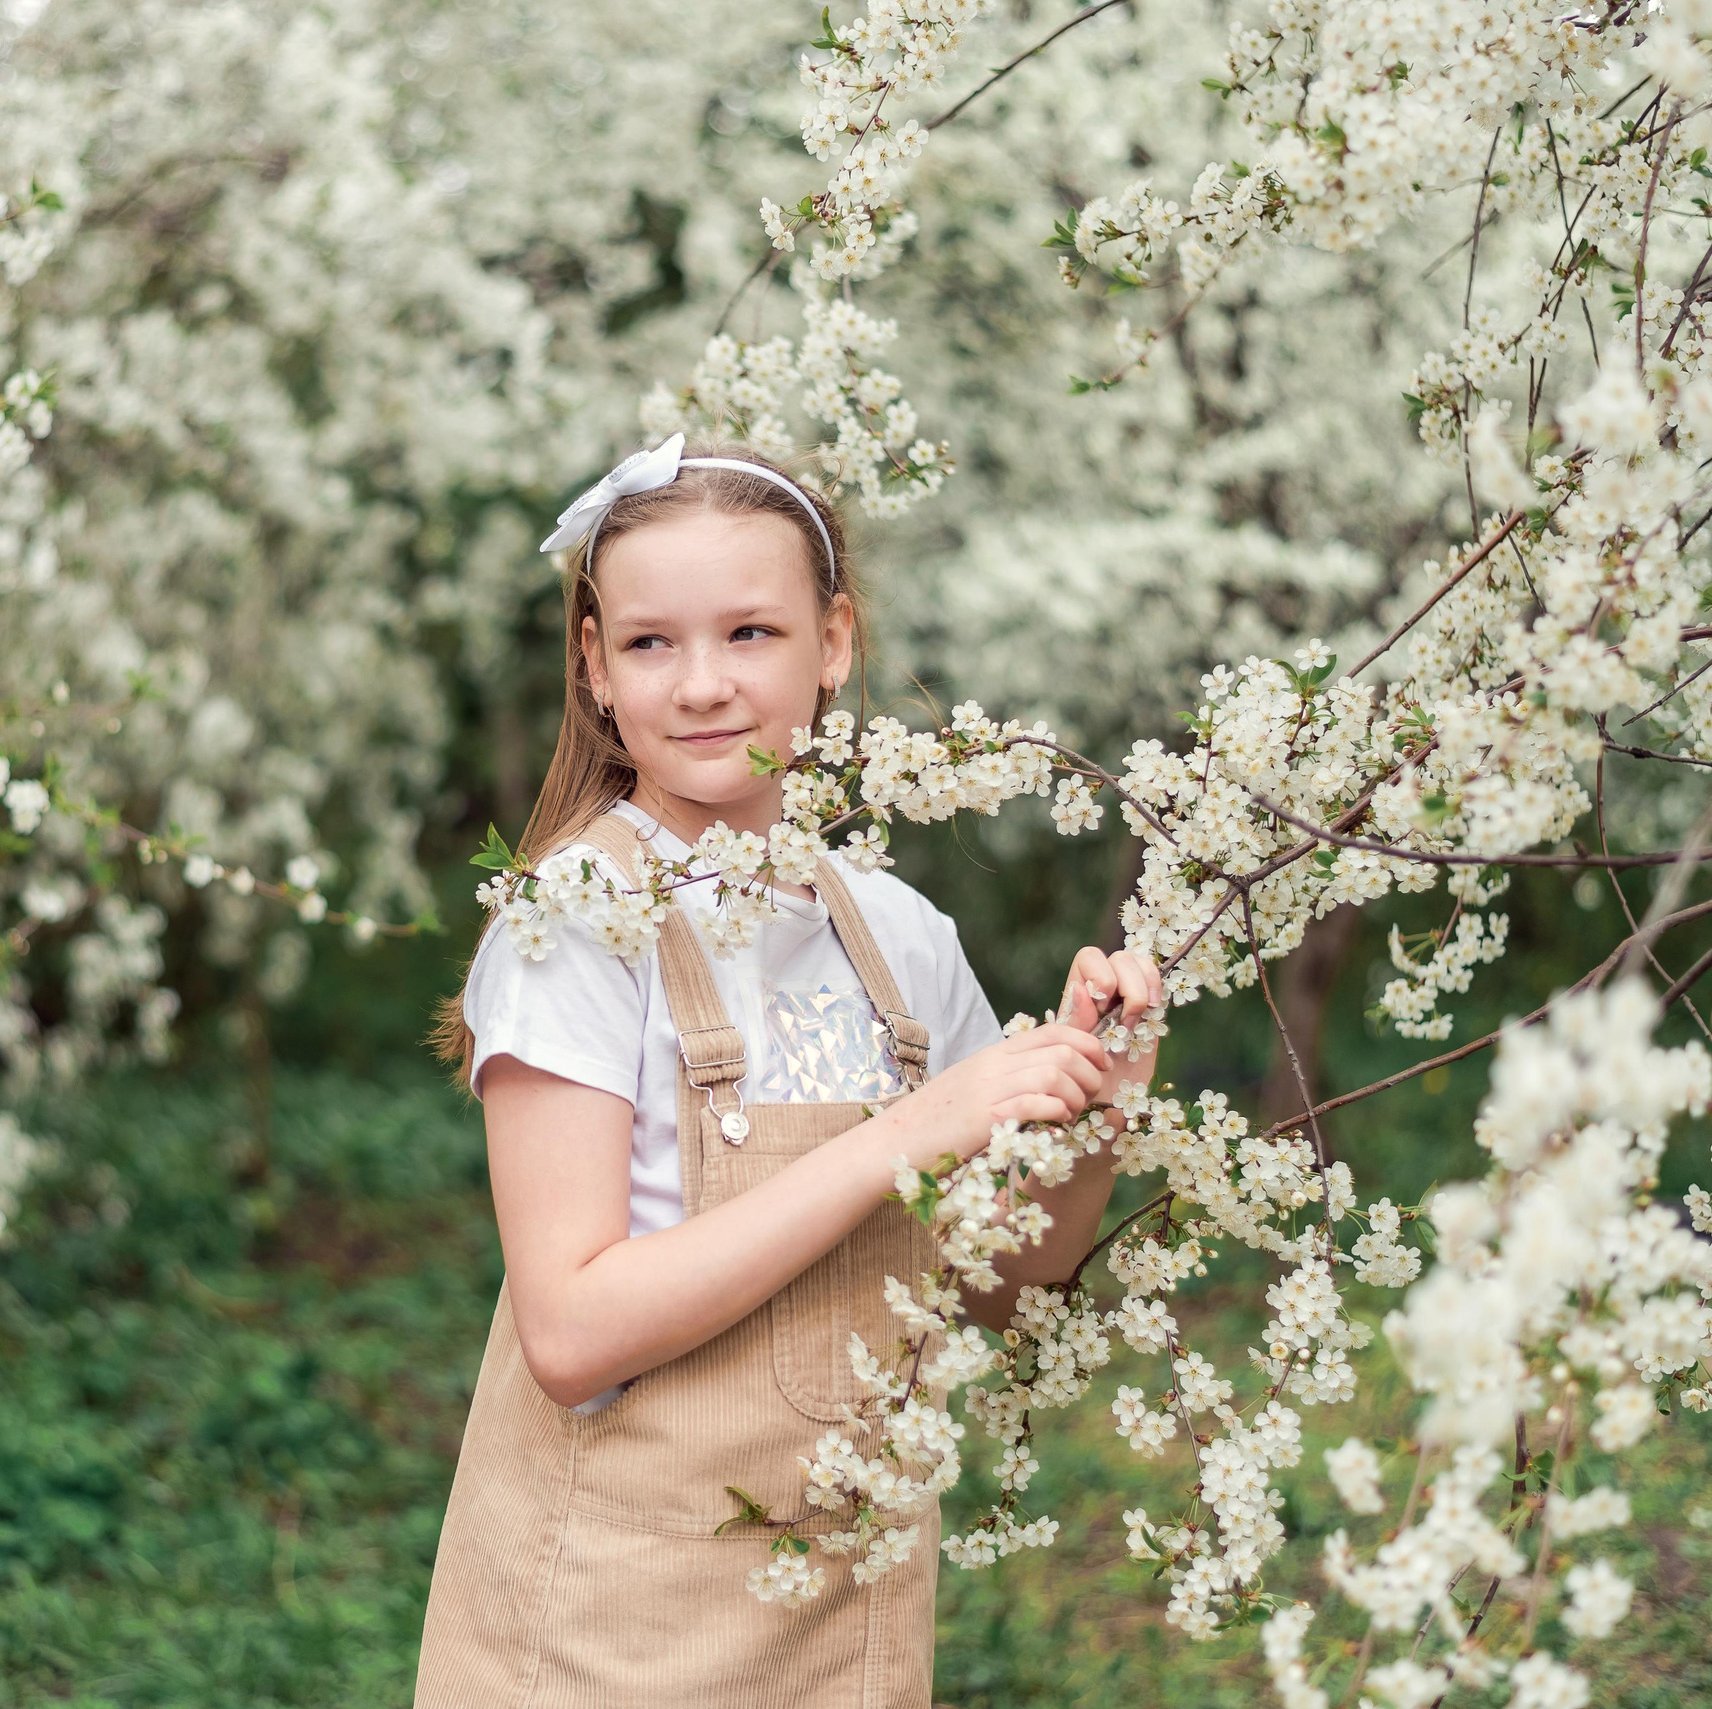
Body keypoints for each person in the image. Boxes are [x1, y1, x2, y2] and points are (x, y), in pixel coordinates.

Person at [414, 436, 1162, 1707]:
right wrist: (903, 1134)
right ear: (594, 667)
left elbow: (1012, 1277)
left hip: (842, 1627)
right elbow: (571, 1328)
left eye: (750, 632)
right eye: (650, 643)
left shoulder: (899, 936)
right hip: (611, 1629)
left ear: (835, 642)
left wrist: (1101, 1083)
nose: (701, 683)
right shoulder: (575, 922)